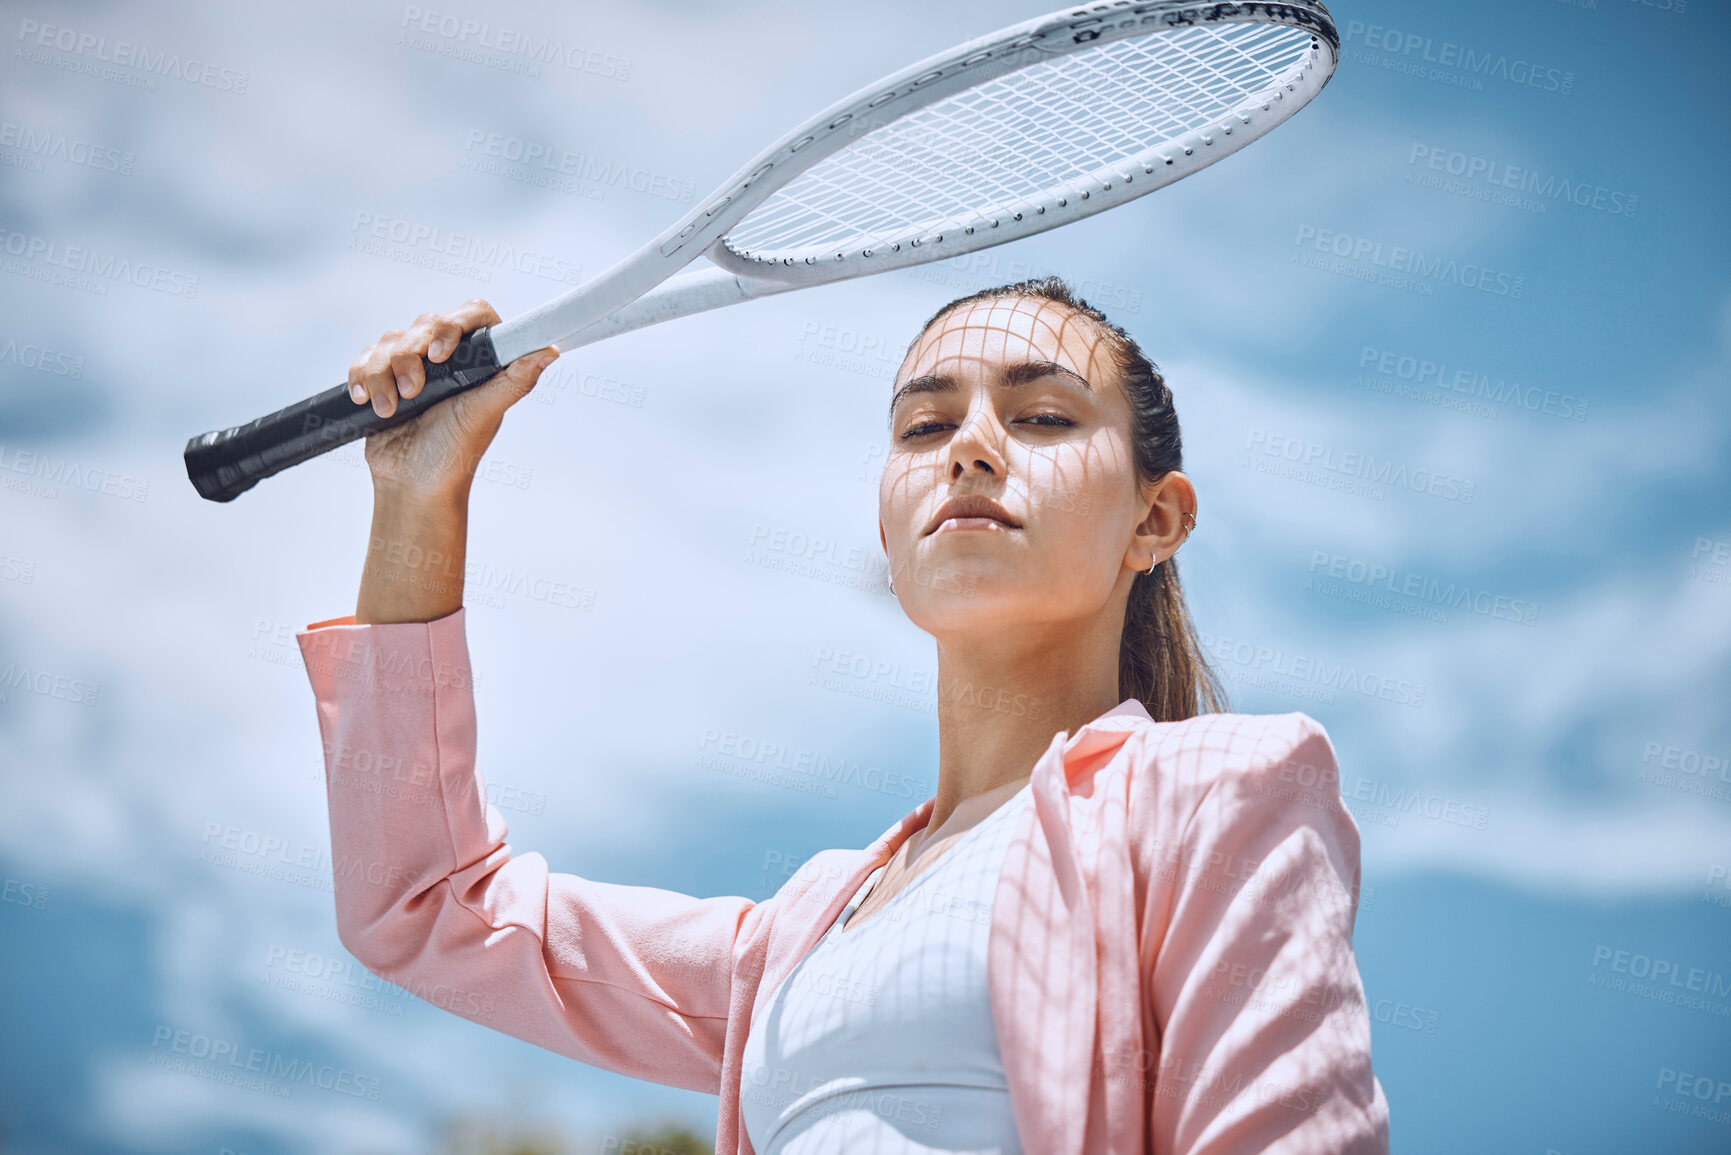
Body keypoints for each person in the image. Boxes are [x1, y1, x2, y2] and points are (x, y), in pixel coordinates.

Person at [294, 278, 1391, 1154]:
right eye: (922, 428)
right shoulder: (800, 938)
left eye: (1043, 414)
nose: (968, 446)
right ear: (886, 522)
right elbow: (426, 907)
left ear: (1157, 517)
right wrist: (417, 494)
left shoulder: (1216, 791)